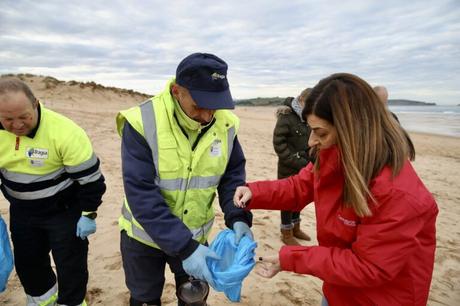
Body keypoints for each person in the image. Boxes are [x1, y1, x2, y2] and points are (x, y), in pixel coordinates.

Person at [234, 73, 437, 306]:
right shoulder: (334, 155)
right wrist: (254, 192)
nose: (311, 141)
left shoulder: (398, 193)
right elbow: (300, 186)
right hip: (338, 289)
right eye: (311, 130)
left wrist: (290, 258)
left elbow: (369, 267)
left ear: (352, 130)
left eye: (320, 133)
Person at [116, 52, 253, 306]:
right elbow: (141, 193)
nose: (206, 115)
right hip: (144, 238)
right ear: (176, 91)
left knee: (194, 298)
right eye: (199, 105)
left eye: (214, 104)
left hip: (196, 236)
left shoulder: (227, 125)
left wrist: (238, 217)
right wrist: (184, 247)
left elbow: (232, 177)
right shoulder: (142, 122)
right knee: (144, 298)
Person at [0, 78, 106, 306]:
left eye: (24, 117)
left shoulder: (65, 132)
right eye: (8, 119)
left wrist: (89, 214)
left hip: (64, 211)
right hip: (22, 212)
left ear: (36, 104)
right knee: (29, 265)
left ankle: (72, 302)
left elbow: (92, 181)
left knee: (71, 266)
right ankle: (43, 301)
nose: (17, 125)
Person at [273, 89, 314, 245]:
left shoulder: (308, 117)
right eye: (309, 104)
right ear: (302, 100)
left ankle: (296, 227)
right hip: (287, 167)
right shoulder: (286, 116)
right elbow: (279, 143)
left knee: (300, 197)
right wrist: (294, 160)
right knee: (287, 200)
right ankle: (287, 232)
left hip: (304, 165)